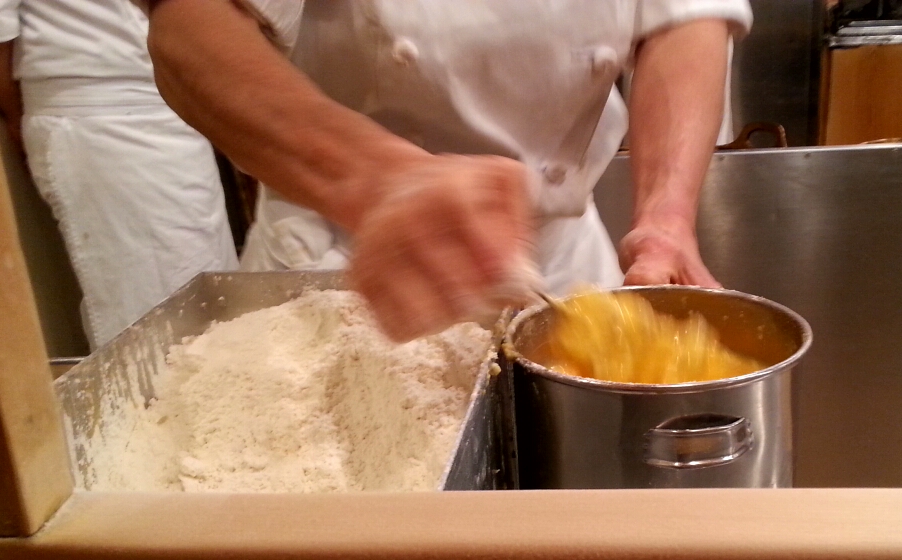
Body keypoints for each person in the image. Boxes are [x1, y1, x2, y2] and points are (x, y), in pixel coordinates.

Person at [143, 0, 752, 342]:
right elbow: (190, 31)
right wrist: (375, 180)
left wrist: (665, 216)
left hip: (562, 274)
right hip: (355, 271)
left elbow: (687, 16)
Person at [0, 0, 239, 349]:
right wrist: (16, 118)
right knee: (155, 326)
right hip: (101, 112)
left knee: (209, 299)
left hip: (171, 98)